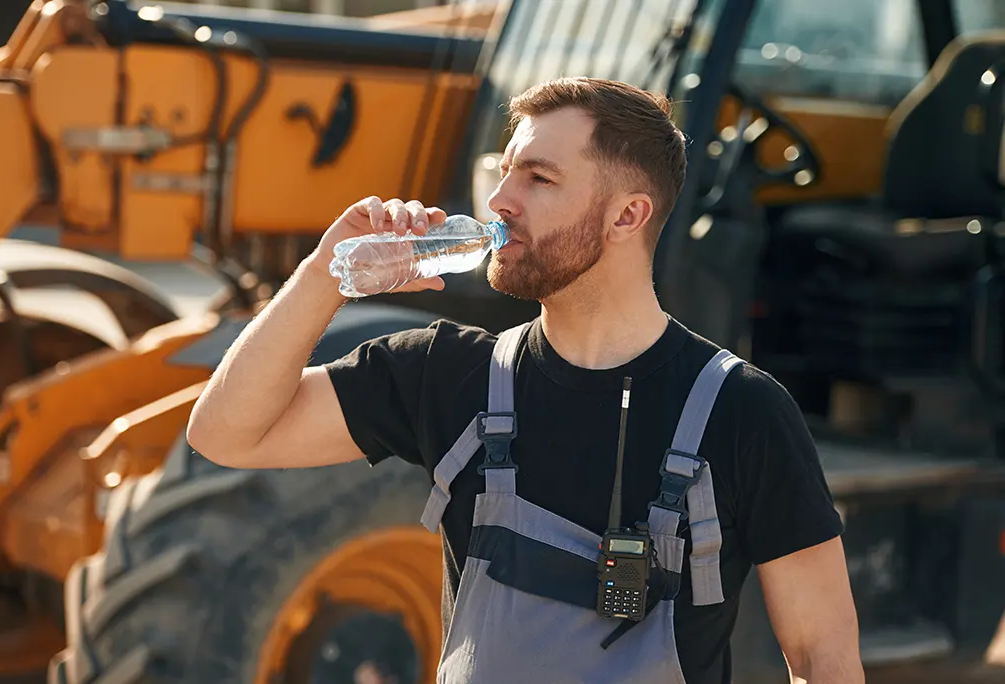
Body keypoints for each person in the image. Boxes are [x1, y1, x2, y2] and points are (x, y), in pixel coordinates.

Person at [187, 77, 864, 684]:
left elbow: (822, 658)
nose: (500, 200)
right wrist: (323, 274)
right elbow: (226, 435)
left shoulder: (743, 411)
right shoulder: (445, 374)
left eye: (538, 178)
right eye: (504, 171)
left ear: (628, 216)